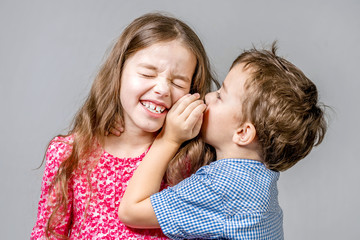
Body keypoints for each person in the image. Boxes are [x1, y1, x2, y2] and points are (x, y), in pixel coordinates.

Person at [31, 13, 219, 239]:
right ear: (118, 73)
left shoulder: (192, 160)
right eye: (147, 73)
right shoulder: (69, 153)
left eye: (178, 82)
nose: (162, 89)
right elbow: (47, 234)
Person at [118, 43, 328, 239]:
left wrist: (169, 139)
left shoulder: (220, 186)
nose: (208, 96)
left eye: (220, 96)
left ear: (243, 133)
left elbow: (131, 210)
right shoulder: (262, 180)